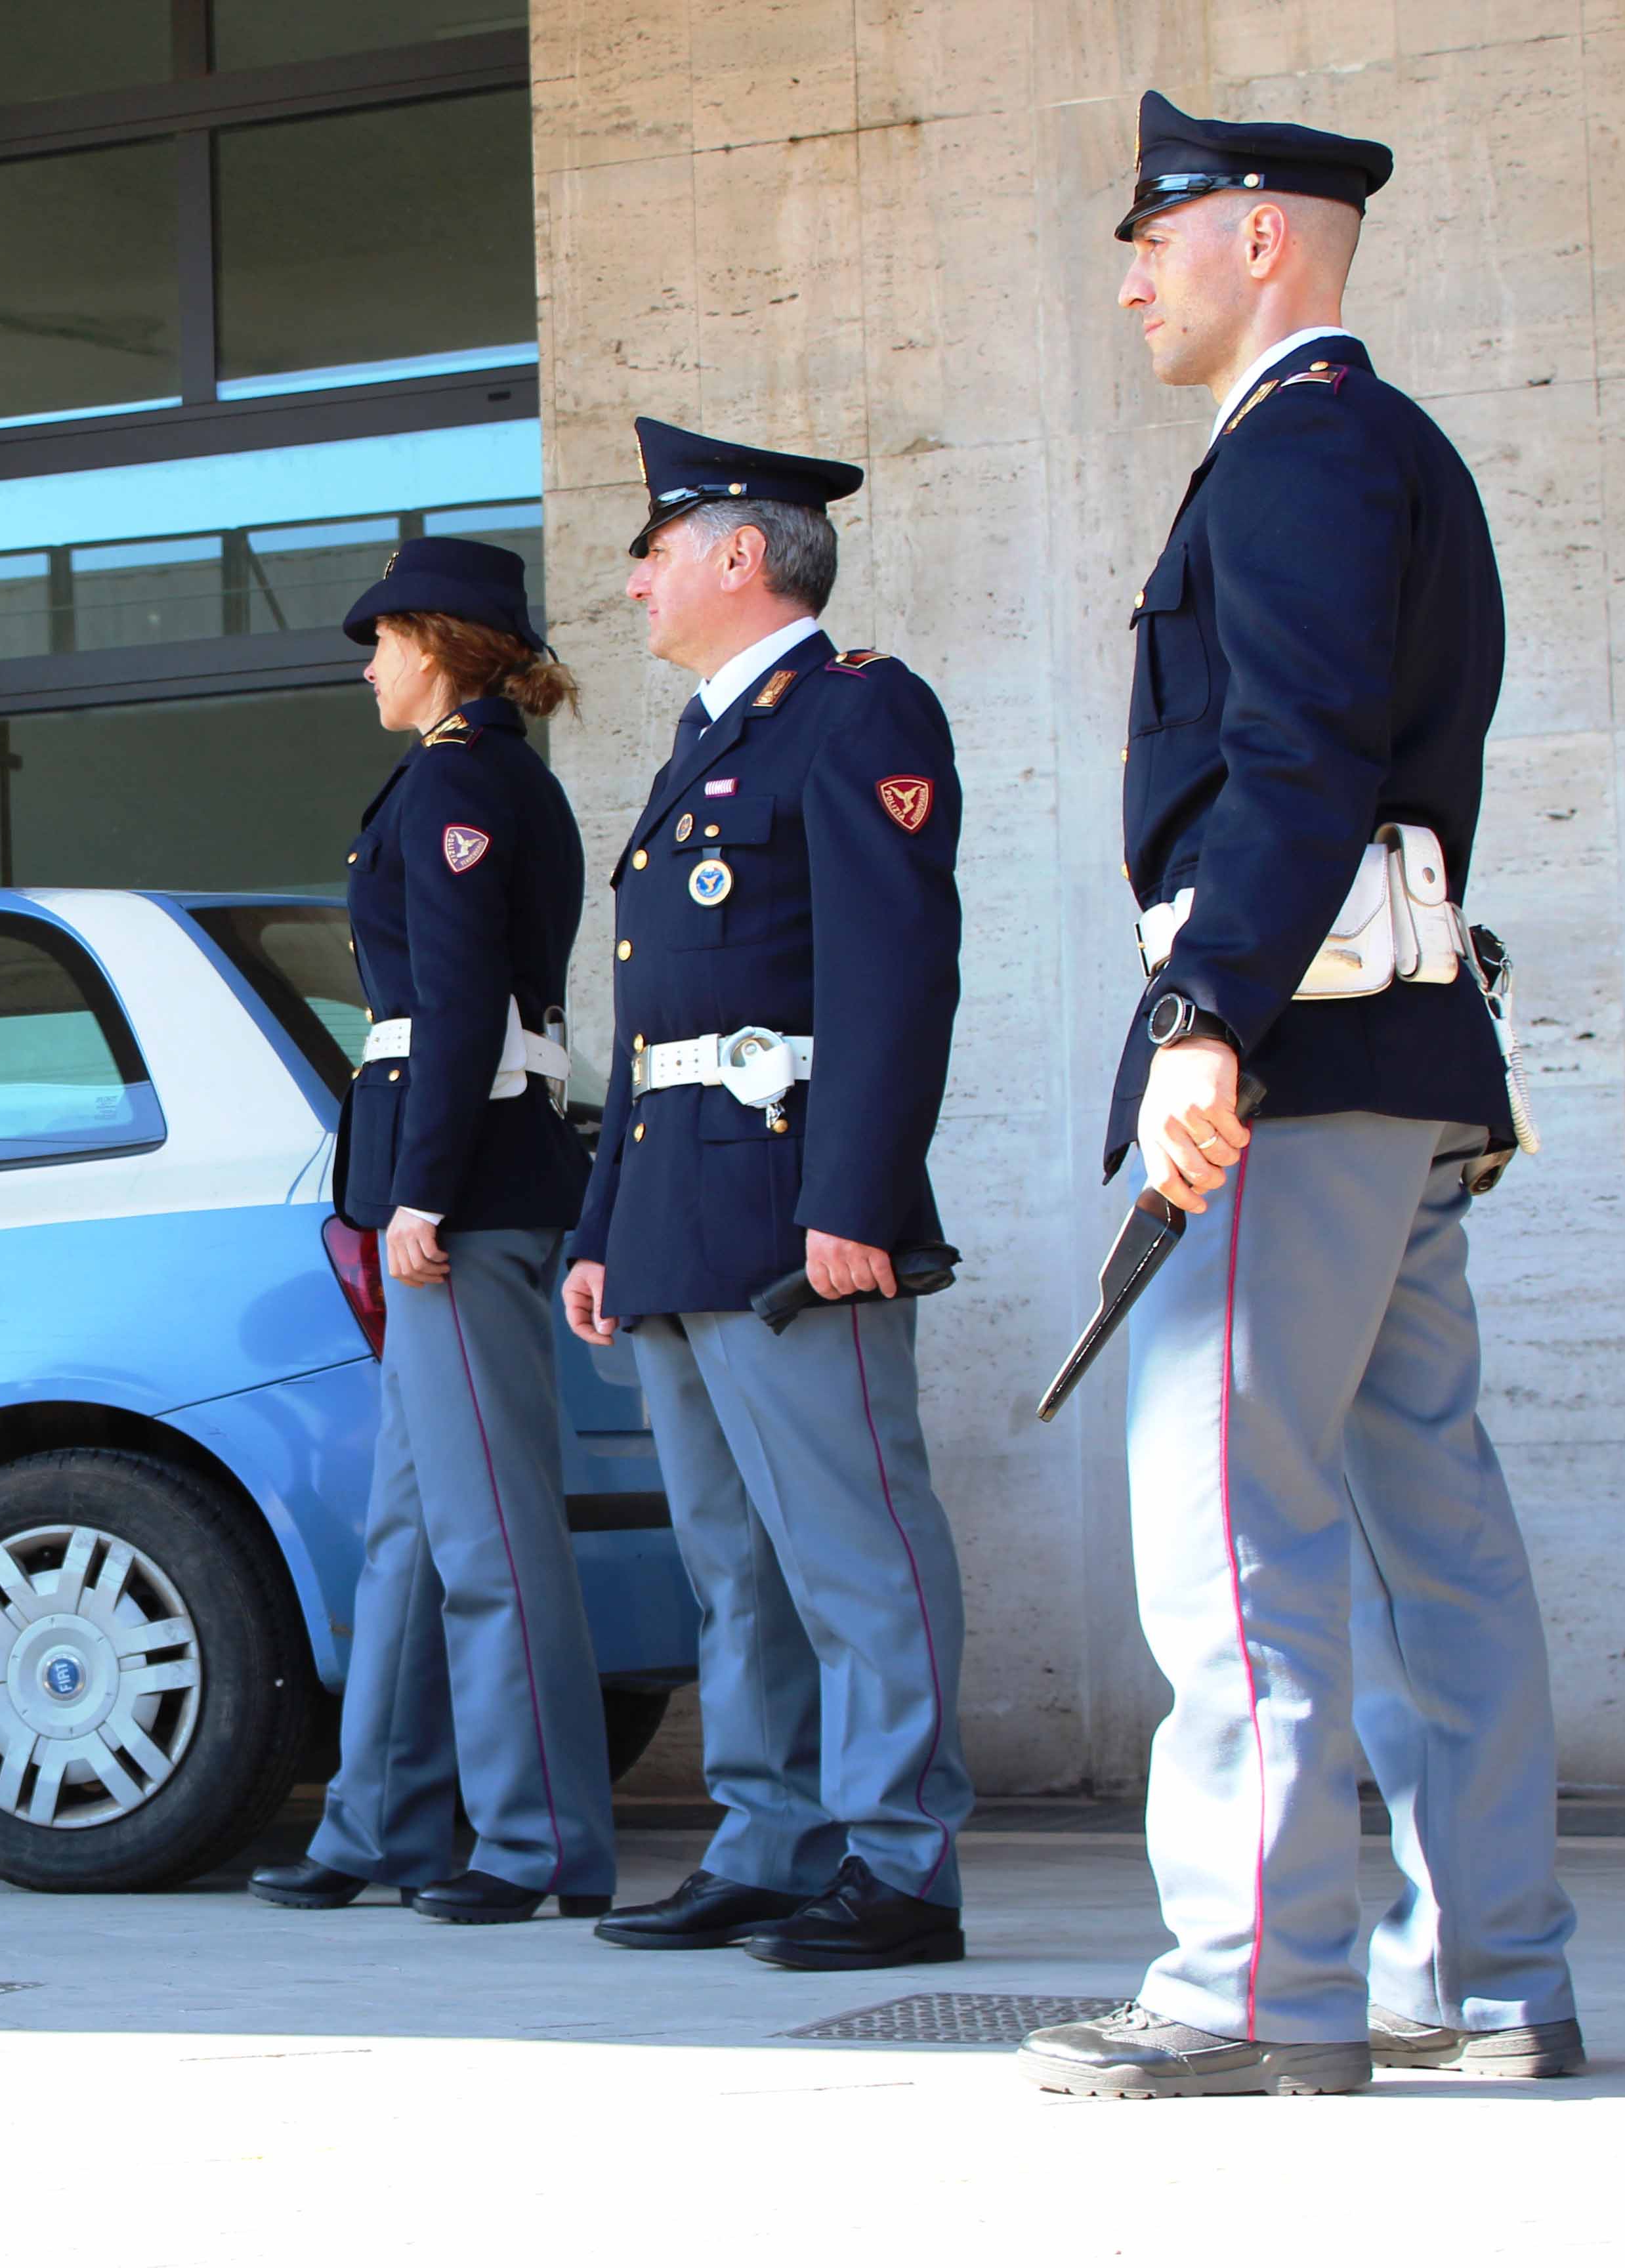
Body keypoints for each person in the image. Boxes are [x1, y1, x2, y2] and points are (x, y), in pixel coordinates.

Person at [1019, 94, 1580, 2099]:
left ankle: (1260, 1981)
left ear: (1265, 239)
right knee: (1438, 1530)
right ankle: (1490, 1969)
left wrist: (1204, 1019)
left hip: (1297, 1062)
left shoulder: (1303, 446)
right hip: (1397, 1059)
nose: (1131, 274)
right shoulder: (1386, 450)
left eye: (1155, 236)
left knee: (1235, 1536)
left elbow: (1302, 757)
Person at [562, 421, 975, 1971]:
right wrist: (604, 1232)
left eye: (654, 550)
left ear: (742, 554)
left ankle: (901, 1858)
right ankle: (771, 1836)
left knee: (855, 1547)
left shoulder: (855, 712)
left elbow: (893, 979)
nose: (632, 583)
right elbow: (647, 1019)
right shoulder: (704, 739)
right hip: (680, 1217)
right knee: (733, 1563)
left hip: (800, 1211)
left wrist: (857, 1197)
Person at [247, 536, 620, 1925]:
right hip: (452, 1179)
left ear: (440, 645)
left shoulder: (466, 782)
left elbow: (461, 1004)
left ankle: (543, 1843)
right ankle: (380, 1823)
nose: (368, 668)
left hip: (462, 1195)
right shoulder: (466, 774)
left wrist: (424, 1191)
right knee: (408, 1536)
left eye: (382, 643)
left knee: (488, 1538)